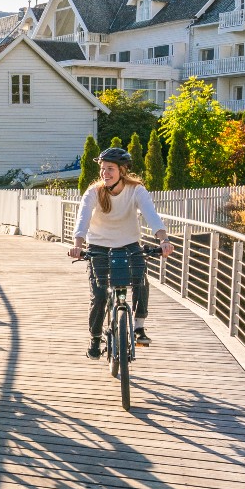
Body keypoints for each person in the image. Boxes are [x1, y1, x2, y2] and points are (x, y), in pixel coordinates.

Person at [66, 146, 173, 358]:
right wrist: (78, 244)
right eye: (103, 168)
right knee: (99, 295)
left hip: (129, 243)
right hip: (99, 246)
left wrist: (164, 240)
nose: (105, 173)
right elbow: (83, 219)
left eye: (110, 169)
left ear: (122, 170)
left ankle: (139, 327)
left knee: (140, 281)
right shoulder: (94, 192)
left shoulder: (136, 190)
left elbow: (151, 215)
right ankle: (96, 337)